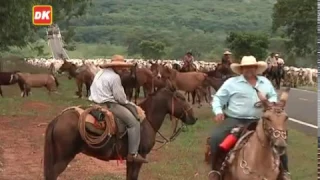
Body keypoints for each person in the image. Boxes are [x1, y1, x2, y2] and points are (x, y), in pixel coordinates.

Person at [209, 56, 290, 180]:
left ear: (256, 68)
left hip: (260, 120)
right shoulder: (232, 83)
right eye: (245, 67)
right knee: (216, 138)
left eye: (251, 67)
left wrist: (271, 104)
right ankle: (216, 170)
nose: (249, 69)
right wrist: (218, 112)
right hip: (235, 119)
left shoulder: (265, 82)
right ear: (241, 69)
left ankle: (284, 172)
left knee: (279, 138)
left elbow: (273, 95)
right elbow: (218, 98)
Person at [89, 55, 148, 163]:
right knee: (134, 123)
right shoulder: (115, 77)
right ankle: (133, 154)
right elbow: (120, 98)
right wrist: (130, 104)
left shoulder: (100, 73)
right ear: (116, 66)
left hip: (95, 102)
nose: (123, 69)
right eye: (121, 67)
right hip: (109, 104)